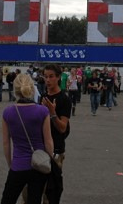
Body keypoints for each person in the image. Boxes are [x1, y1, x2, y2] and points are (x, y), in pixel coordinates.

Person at [0, 73, 54, 204]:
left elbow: (6, 143)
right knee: (35, 199)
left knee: (8, 199)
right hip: (38, 165)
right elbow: (48, 140)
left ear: (15, 90)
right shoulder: (42, 111)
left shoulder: (8, 112)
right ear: (32, 88)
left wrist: (10, 163)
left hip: (18, 164)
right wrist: (50, 159)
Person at [41, 64, 72, 204]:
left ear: (58, 77)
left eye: (51, 76)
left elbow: (62, 128)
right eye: (45, 76)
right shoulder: (42, 97)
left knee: (51, 193)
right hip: (40, 148)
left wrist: (52, 113)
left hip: (56, 150)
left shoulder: (64, 99)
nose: (48, 80)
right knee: (35, 190)